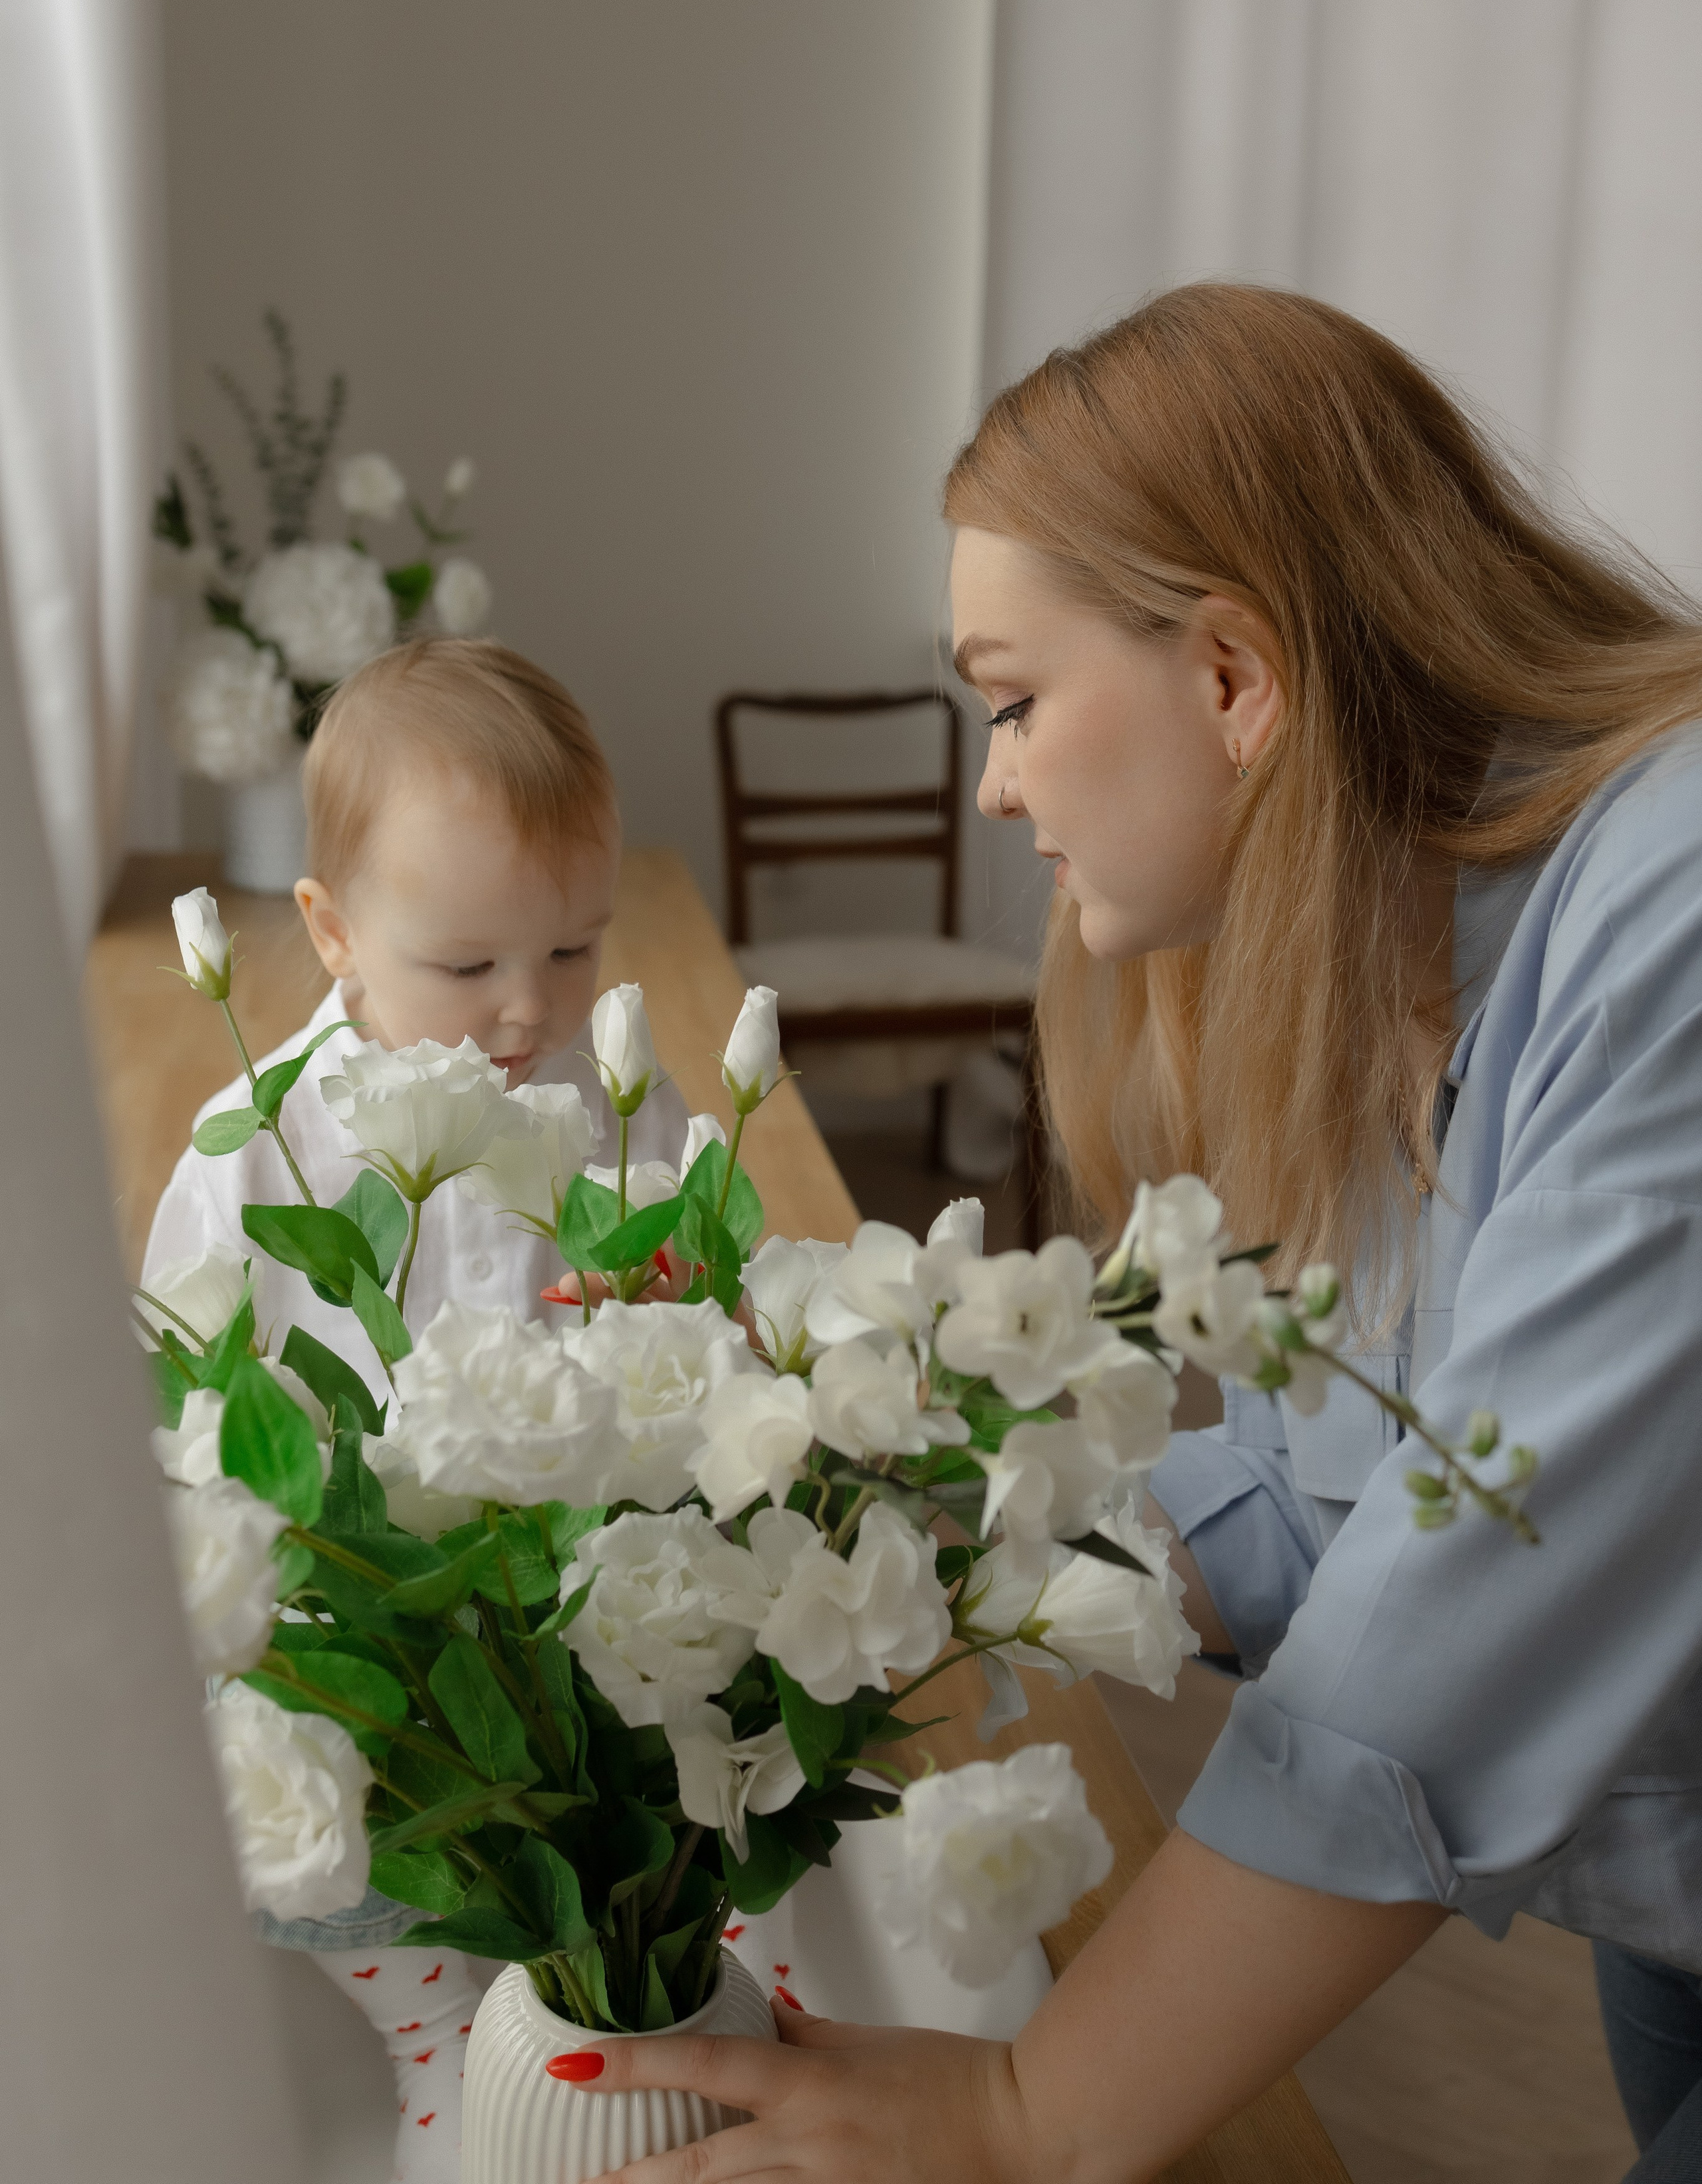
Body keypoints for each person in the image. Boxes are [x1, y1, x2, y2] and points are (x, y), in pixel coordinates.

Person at [554, 285, 1702, 2184]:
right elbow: (1308, 1471)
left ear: (1237, 678)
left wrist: (1030, 2116)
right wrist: (868, 1514)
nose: (997, 779)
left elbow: (1470, 1592)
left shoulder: (1668, 913)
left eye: (1011, 700)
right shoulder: (1404, 943)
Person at [144, 636, 694, 2184]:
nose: (529, 1010)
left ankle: (612, 2030)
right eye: (466, 968)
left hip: (570, 1634)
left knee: (645, 1851)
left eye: (575, 951)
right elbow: (196, 1409)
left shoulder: (612, 1099)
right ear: (330, 931)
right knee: (371, 1879)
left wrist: (663, 1304)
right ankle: (429, 2048)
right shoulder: (255, 1147)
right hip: (368, 1644)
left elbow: (702, 1298)